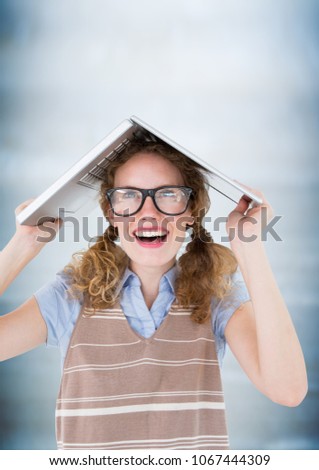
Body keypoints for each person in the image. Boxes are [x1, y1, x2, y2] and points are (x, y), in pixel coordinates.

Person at [0, 139, 307, 450]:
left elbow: (288, 390)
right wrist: (21, 247)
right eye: (129, 196)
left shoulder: (217, 294)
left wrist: (250, 250)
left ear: (192, 211)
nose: (148, 214)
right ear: (111, 212)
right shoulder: (72, 293)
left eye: (169, 195)